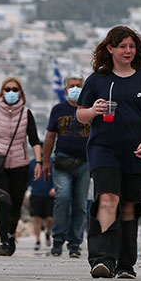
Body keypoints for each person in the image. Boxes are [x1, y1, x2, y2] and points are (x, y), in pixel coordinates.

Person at [77, 26, 141, 279]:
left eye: (131, 46)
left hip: (136, 151)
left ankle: (126, 263)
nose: (127, 51)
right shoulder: (97, 79)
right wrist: (93, 111)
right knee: (107, 198)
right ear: (110, 49)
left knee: (129, 205)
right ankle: (102, 259)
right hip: (103, 149)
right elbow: (80, 114)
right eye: (122, 46)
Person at [0, 77, 43, 256]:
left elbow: (34, 140)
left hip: (20, 165)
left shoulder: (26, 114)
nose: (11, 92)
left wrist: (39, 162)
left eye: (15, 89)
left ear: (20, 93)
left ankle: (11, 234)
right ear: (2, 93)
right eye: (7, 89)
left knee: (16, 205)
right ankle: (4, 240)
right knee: (3, 202)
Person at [40, 75, 90, 258]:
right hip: (62, 161)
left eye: (79, 86)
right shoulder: (58, 110)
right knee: (62, 198)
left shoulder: (89, 110)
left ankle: (75, 243)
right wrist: (45, 161)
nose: (75, 88)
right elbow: (50, 136)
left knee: (80, 205)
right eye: (72, 86)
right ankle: (58, 240)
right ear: (65, 90)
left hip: (85, 163)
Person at [26, 158, 54, 251]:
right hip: (35, 194)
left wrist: (55, 187)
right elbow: (28, 178)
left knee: (50, 218)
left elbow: (57, 176)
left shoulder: (52, 162)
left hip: (49, 194)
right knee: (36, 218)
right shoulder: (32, 163)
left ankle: (48, 233)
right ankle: (37, 240)